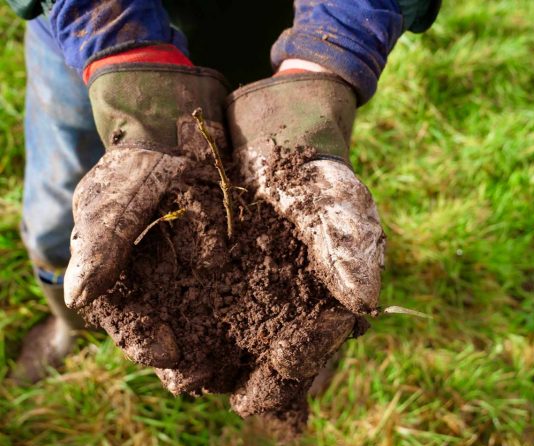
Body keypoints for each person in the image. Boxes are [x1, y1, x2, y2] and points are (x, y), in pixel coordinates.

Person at [6, 0, 440, 384]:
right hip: (86, 39)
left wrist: (325, 58)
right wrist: (117, 36)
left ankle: (306, 320)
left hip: (285, 36)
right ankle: (70, 323)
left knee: (295, 204)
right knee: (57, 220)